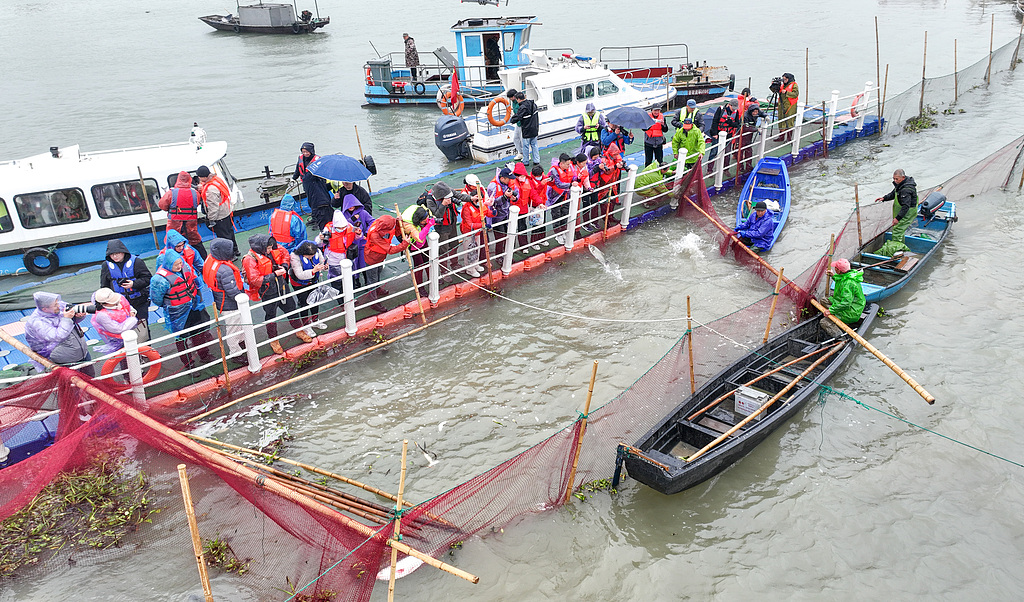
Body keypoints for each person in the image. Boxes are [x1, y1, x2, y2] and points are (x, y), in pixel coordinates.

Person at [242, 234, 313, 354]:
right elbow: (255, 280)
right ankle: (273, 340)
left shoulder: (272, 247)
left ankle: (299, 330)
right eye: (268, 248)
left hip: (282, 286)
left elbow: (285, 254)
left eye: (271, 247)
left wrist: (284, 265)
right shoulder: (250, 259)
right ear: (261, 247)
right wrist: (274, 275)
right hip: (267, 291)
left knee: (292, 308)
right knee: (271, 315)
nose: (271, 250)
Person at [150, 249, 216, 370]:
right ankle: (189, 364)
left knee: (199, 332)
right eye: (176, 265)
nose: (179, 266)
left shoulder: (186, 268)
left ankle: (204, 355)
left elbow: (195, 281)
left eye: (180, 263)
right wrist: (170, 304)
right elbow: (156, 299)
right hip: (177, 312)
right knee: (181, 338)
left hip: (193, 306)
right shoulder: (159, 280)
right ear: (168, 264)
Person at [202, 238, 248, 363]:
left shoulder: (211, 260)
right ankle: (236, 354)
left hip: (220, 300)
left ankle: (241, 343)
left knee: (237, 326)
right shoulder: (225, 270)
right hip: (230, 304)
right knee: (233, 329)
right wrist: (243, 298)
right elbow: (232, 291)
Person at [24, 292, 93, 375]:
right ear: (45, 309)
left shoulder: (59, 306)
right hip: (65, 359)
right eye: (55, 305)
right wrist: (67, 318)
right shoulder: (38, 322)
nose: (59, 306)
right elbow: (58, 336)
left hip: (82, 351)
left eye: (57, 303)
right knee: (73, 380)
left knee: (90, 376)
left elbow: (73, 322)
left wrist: (79, 315)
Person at [99, 239, 152, 341]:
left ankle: (146, 347)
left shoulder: (137, 262)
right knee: (124, 331)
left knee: (142, 329)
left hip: (139, 302)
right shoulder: (106, 266)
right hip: (118, 305)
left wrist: (134, 284)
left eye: (117, 253)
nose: (115, 256)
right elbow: (104, 286)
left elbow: (148, 279)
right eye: (112, 254)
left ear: (123, 252)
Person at [363, 216, 410, 312]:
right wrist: (404, 244)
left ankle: (377, 289)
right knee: (372, 280)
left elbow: (396, 232)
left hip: (380, 257)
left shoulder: (384, 225)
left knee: (378, 273)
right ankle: (373, 302)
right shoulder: (375, 235)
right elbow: (390, 250)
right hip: (372, 258)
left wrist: (398, 223)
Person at [426, 181, 472, 281]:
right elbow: (437, 215)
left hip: (452, 221)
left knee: (454, 244)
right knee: (443, 249)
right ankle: (444, 271)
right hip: (441, 227)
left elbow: (460, 196)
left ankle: (454, 264)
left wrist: (471, 198)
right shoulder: (430, 199)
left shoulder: (447, 191)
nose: (450, 197)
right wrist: (443, 204)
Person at [159, 171, 207, 259]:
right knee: (195, 242)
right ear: (189, 180)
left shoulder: (171, 193)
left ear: (178, 180)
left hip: (175, 224)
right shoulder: (195, 193)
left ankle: (174, 262)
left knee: (173, 243)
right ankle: (204, 261)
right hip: (190, 223)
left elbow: (162, 205)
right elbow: (197, 203)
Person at [289, 240, 329, 338]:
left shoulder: (317, 251)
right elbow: (299, 274)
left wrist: (324, 267)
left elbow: (321, 262)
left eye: (312, 255)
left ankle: (315, 320)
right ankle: (306, 324)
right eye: (308, 256)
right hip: (299, 283)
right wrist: (313, 271)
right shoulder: (294, 256)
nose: (311, 257)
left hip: (313, 281)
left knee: (315, 300)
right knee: (304, 304)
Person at [874, 169, 919, 256]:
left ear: (903, 177)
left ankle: (897, 251)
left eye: (897, 179)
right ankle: (901, 247)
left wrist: (897, 218)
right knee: (900, 229)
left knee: (897, 230)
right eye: (894, 178)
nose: (895, 181)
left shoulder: (906, 189)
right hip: (903, 210)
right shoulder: (900, 185)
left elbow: (906, 206)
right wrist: (884, 198)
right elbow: (894, 193)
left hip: (908, 212)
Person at [196, 165, 238, 256]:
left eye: (199, 177)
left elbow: (213, 207)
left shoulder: (210, 190)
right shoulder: (216, 179)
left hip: (219, 216)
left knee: (224, 237)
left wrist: (211, 219)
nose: (199, 178)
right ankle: (235, 250)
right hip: (226, 211)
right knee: (230, 233)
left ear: (203, 177)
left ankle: (230, 255)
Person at [292, 142, 333, 230]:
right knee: (310, 202)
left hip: (317, 185)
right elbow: (298, 169)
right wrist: (294, 178)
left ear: (311, 151)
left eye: (307, 151)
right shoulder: (301, 158)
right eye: (303, 151)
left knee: (317, 203)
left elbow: (323, 173)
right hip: (307, 185)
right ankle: (314, 218)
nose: (305, 153)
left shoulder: (317, 160)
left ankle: (319, 221)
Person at [459, 175, 491, 277]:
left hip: (478, 230)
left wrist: (493, 210)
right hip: (469, 231)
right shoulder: (466, 207)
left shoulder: (480, 202)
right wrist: (482, 225)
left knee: (477, 248)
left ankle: (476, 264)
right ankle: (470, 269)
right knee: (469, 251)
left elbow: (487, 211)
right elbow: (469, 224)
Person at [91, 288, 138, 355]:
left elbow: (127, 306)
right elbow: (118, 329)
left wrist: (132, 311)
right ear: (104, 304)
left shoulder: (119, 298)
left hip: (131, 332)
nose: (117, 302)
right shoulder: (102, 316)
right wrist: (133, 319)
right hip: (117, 341)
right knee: (124, 357)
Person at [486, 166, 517, 259]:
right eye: (508, 179)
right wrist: (504, 197)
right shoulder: (493, 186)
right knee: (500, 237)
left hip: (507, 214)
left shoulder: (508, 183)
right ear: (502, 178)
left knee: (509, 235)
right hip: (497, 216)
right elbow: (491, 202)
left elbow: (516, 192)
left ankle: (507, 254)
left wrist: (514, 198)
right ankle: (499, 256)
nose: (510, 181)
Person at [823, 258, 866, 326]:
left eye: (835, 268)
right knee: (824, 300)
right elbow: (841, 280)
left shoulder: (849, 284)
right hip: (846, 304)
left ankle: (841, 328)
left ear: (839, 270)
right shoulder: (849, 275)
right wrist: (833, 275)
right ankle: (835, 314)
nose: (834, 269)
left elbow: (846, 303)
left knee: (824, 322)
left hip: (851, 312)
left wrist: (831, 311)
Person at [518, 164, 548, 250]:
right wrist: (541, 185)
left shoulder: (544, 177)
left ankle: (542, 239)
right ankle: (534, 242)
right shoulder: (530, 181)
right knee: (536, 223)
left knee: (543, 222)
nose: (539, 177)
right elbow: (534, 193)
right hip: (534, 204)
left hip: (543, 202)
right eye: (537, 176)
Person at [547, 153, 575, 245]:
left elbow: (573, 176)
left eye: (569, 164)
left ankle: (563, 231)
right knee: (556, 214)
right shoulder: (554, 171)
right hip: (556, 196)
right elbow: (558, 184)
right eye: (567, 164)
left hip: (567, 195)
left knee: (565, 213)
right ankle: (557, 234)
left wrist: (576, 179)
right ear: (561, 163)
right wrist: (570, 185)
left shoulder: (569, 167)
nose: (569, 166)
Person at [509, 91, 540, 167]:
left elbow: (518, 117)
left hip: (526, 129)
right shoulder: (533, 104)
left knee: (525, 146)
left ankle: (526, 161)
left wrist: (512, 120)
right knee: (534, 145)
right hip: (535, 128)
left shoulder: (522, 107)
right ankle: (536, 160)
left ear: (518, 99)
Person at [708, 98, 740, 165]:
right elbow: (715, 121)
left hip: (729, 135)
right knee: (714, 151)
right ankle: (710, 168)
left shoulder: (736, 112)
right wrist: (714, 133)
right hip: (718, 134)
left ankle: (726, 168)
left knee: (727, 153)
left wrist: (731, 123)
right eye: (733, 108)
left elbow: (737, 124)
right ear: (729, 105)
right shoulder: (721, 109)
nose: (734, 109)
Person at [774, 73, 800, 142]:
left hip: (790, 105)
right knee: (781, 119)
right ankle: (781, 136)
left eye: (785, 79)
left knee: (789, 121)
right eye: (783, 79)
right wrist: (775, 86)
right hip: (782, 104)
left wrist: (786, 92)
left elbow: (795, 94)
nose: (784, 80)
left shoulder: (794, 85)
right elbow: (777, 92)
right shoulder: (782, 85)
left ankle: (789, 138)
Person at [740, 103, 764, 172]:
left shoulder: (756, 113)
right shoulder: (745, 116)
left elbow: (762, 113)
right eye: (754, 112)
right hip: (742, 135)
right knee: (740, 151)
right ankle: (740, 167)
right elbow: (745, 127)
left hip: (749, 135)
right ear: (751, 111)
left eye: (757, 112)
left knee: (749, 151)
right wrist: (756, 129)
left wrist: (766, 116)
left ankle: (748, 166)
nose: (756, 113)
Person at [506, 89, 524, 161]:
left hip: (522, 123)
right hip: (518, 123)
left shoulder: (520, 103)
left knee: (523, 140)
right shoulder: (513, 102)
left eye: (510, 97)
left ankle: (526, 154)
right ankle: (520, 152)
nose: (510, 99)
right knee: (516, 138)